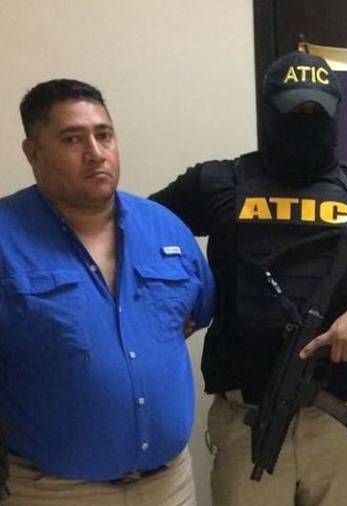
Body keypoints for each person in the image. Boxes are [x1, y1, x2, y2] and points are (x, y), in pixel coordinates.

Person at [150, 50, 347, 506]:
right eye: (295, 112)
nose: (306, 123)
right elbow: (138, 231)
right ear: (269, 111)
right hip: (249, 418)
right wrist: (179, 302)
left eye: (318, 112)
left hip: (338, 418)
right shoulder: (219, 183)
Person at [0, 79, 215, 505]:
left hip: (168, 486)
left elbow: (193, 314)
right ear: (32, 152)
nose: (95, 152)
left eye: (104, 135)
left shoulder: (165, 227)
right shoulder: (7, 238)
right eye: (72, 139)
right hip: (55, 492)